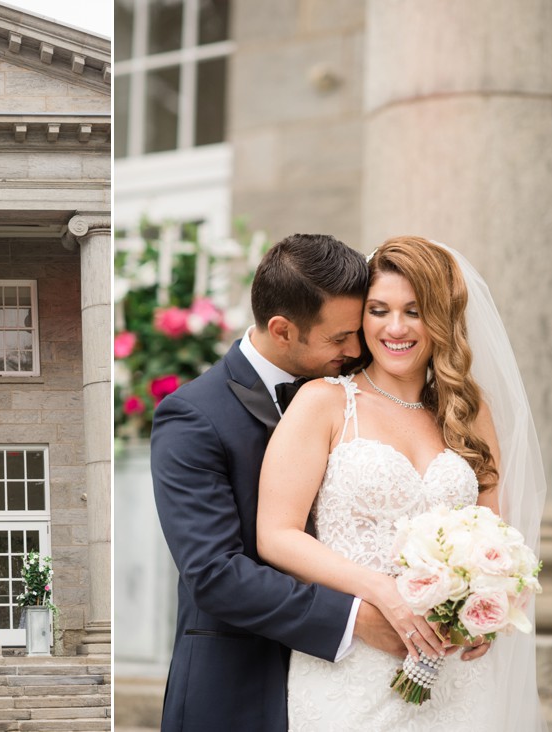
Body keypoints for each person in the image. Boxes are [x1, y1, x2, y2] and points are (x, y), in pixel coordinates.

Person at [257, 236, 546, 730]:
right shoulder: (324, 402)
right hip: (353, 663)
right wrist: (381, 593)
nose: (395, 328)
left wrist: (490, 607)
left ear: (441, 318)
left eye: (414, 311)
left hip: (454, 669)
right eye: (379, 309)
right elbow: (276, 535)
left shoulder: (467, 415)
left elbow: (499, 534)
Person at [151, 233, 406, 732]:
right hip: (238, 690)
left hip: (361, 693)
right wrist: (353, 618)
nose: (357, 349)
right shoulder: (192, 416)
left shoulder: (364, 388)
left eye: (358, 330)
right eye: (339, 339)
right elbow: (215, 573)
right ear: (282, 329)